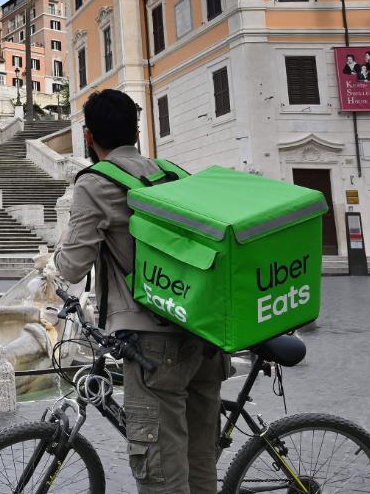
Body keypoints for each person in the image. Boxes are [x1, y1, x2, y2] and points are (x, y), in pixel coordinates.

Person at [53, 89, 230, 494]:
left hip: (152, 343)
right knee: (200, 460)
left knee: (161, 473)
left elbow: (72, 267)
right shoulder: (174, 173)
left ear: (88, 136)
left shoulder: (95, 184)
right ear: (136, 130)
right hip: (204, 333)